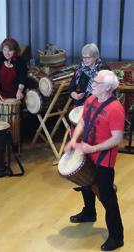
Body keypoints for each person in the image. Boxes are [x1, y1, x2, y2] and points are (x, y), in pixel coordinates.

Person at [64, 70, 124, 251]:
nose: (92, 84)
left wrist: (94, 148)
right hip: (86, 150)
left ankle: (117, 236)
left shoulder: (115, 109)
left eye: (96, 82)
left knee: (107, 196)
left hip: (104, 159)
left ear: (107, 87)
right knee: (85, 184)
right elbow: (82, 122)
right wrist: (74, 140)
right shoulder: (90, 100)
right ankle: (89, 213)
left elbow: (117, 138)